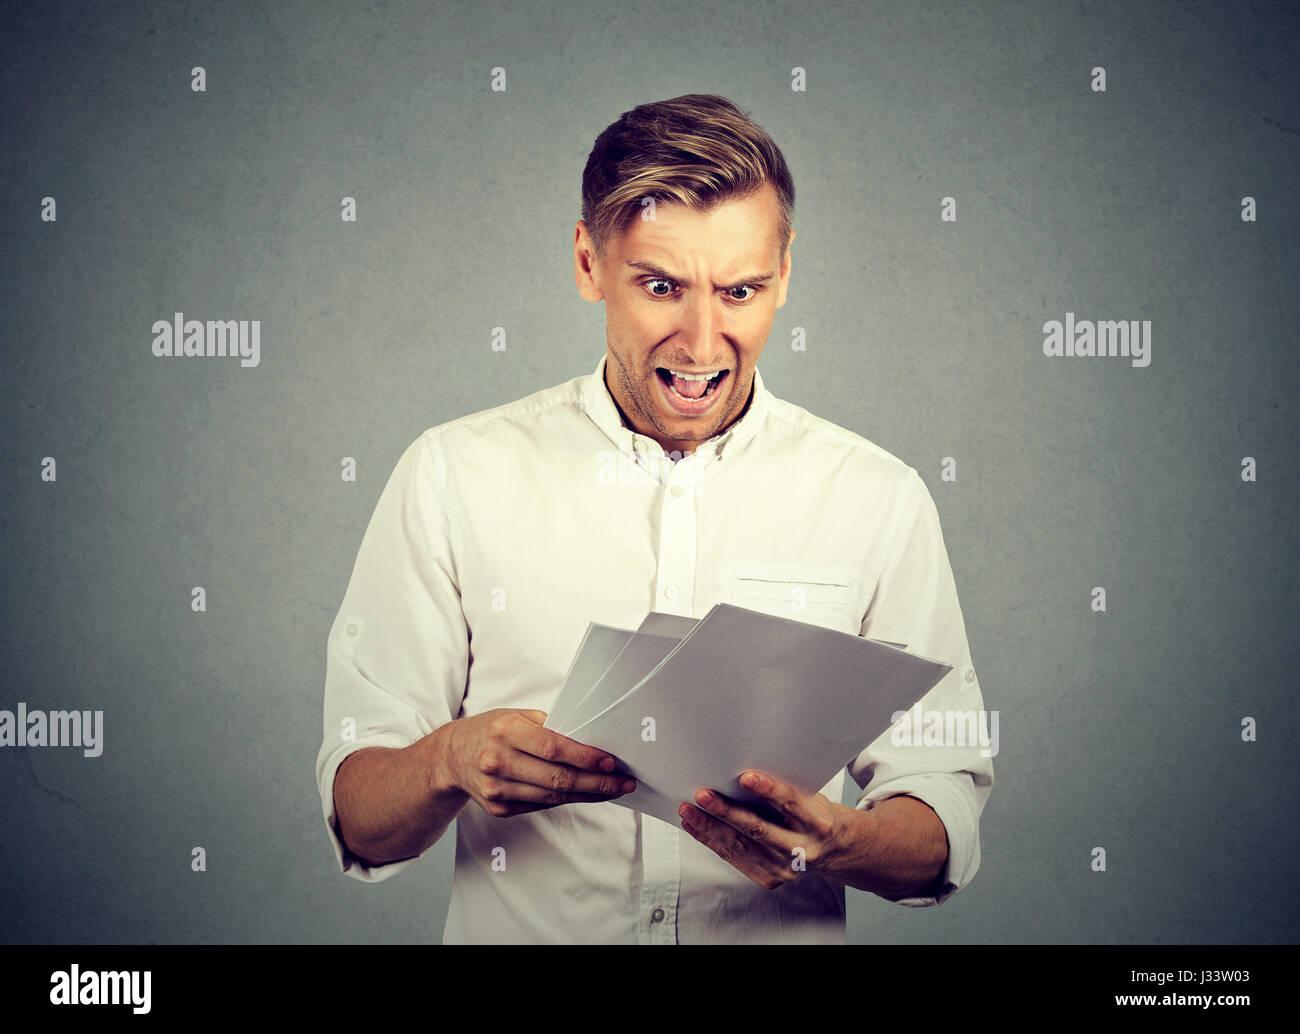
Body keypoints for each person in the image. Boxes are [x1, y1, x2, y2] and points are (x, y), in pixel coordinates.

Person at [315, 93, 994, 944]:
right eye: (662, 287)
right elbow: (359, 815)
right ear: (589, 264)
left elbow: (943, 815)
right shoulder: (453, 475)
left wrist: (841, 840)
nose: (703, 341)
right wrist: (447, 758)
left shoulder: (877, 499)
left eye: (741, 290)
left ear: (785, 273)